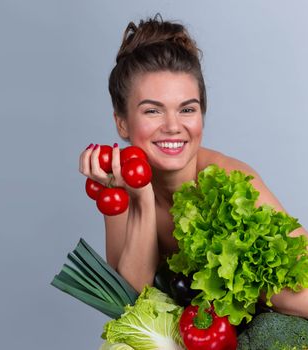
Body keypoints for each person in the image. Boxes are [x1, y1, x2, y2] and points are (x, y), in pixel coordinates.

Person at [79, 14, 308, 318]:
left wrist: (241, 283)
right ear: (122, 123)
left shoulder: (231, 182)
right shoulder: (119, 184)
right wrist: (142, 199)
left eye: (187, 109)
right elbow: (130, 306)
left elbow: (303, 286)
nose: (173, 126)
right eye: (152, 111)